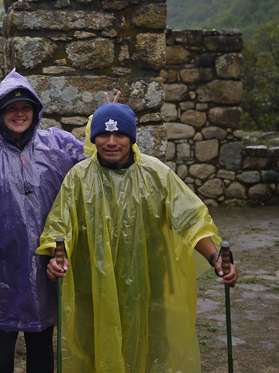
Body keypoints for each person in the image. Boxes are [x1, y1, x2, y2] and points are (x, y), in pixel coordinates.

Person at [38, 102, 239, 373]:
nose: (111, 142)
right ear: (93, 137)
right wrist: (56, 259)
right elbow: (60, 228)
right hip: (93, 287)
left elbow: (190, 219)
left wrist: (215, 257)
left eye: (120, 134)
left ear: (131, 137)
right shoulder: (79, 178)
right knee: (94, 349)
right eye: (104, 134)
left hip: (148, 285)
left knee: (150, 350)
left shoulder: (156, 174)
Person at [0, 69, 91, 373]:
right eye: (11, 107)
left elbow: (92, 162)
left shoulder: (57, 145)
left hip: (45, 260)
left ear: (35, 112)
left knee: (41, 339)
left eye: (25, 107)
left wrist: (105, 122)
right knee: (2, 338)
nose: (19, 114)